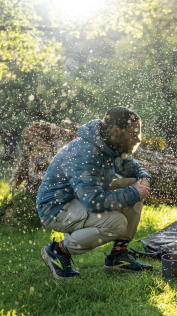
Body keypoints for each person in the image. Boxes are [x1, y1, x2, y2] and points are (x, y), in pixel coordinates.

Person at [37, 106, 154, 279]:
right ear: (116, 130)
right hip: (56, 208)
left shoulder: (112, 146)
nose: (138, 138)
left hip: (81, 199)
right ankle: (57, 251)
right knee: (117, 223)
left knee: (133, 184)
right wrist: (135, 193)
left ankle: (118, 256)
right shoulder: (85, 151)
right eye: (133, 133)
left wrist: (144, 179)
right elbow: (94, 202)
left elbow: (136, 170)